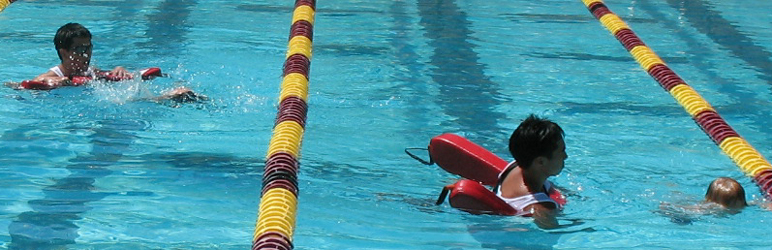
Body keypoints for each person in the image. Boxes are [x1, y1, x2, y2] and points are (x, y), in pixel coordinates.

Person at [10, 23, 203, 102]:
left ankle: (174, 97)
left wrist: (120, 71)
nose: (86, 54)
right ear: (64, 52)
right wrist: (52, 85)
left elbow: (112, 78)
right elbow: (20, 87)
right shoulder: (50, 78)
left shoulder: (90, 72)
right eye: (80, 50)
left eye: (89, 48)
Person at [495, 114, 567, 229]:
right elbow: (554, 232)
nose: (565, 156)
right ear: (541, 162)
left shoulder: (515, 166)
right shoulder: (542, 208)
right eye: (562, 151)